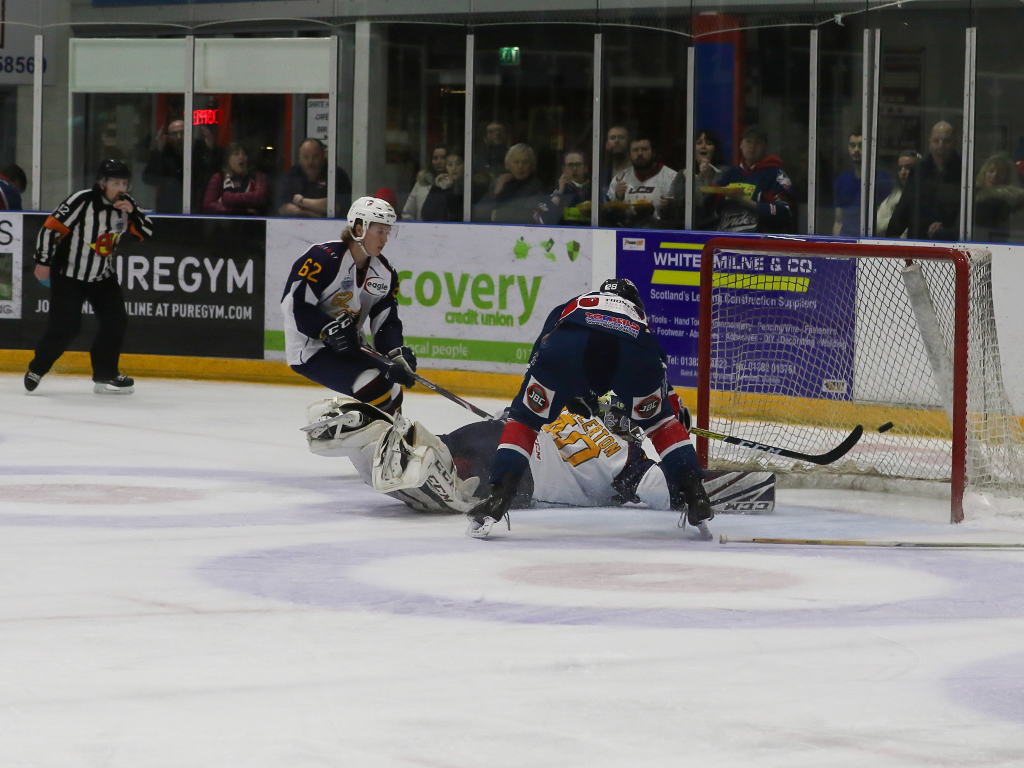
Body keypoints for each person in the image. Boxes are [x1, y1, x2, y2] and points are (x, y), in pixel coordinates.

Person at [464, 278, 714, 538]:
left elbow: (542, 357)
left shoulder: (575, 305)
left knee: (525, 419)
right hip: (633, 349)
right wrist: (670, 418)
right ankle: (696, 495)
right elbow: (659, 383)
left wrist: (570, 392)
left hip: (567, 345)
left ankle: (499, 496)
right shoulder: (636, 318)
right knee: (661, 425)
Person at [304, 392, 774, 516]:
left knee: (446, 450)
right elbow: (664, 490)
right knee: (460, 477)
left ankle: (376, 442)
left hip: (497, 438)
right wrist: (755, 484)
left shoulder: (568, 410)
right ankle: (438, 473)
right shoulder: (617, 452)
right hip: (520, 474)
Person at [24, 160, 153, 395]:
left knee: (115, 322)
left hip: (102, 276)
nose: (121, 188)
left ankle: (105, 375)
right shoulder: (81, 200)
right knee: (66, 328)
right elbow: (50, 228)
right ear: (102, 183)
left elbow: (147, 232)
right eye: (116, 183)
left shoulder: (127, 205)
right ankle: (37, 368)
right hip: (69, 275)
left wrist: (133, 214)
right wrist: (43, 261)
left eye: (124, 183)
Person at [281, 196, 416, 416]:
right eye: (380, 232)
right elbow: (295, 306)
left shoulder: (385, 273)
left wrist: (394, 352)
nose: (385, 239)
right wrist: (328, 328)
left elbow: (386, 322)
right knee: (372, 384)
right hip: (311, 348)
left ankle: (392, 434)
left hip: (351, 345)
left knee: (393, 388)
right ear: (359, 229)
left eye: (387, 232)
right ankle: (386, 434)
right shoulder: (321, 259)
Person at [707, 126, 798, 234]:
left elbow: (786, 212)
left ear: (765, 147)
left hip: (758, 240)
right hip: (726, 238)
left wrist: (748, 203)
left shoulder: (775, 175)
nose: (752, 146)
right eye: (748, 141)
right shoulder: (731, 174)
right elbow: (708, 206)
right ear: (741, 144)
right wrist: (707, 178)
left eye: (758, 142)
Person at [885, 120, 962, 241]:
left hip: (951, 245)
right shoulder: (918, 172)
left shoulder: (963, 173)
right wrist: (891, 238)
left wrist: (948, 231)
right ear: (930, 143)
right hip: (918, 244)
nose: (940, 146)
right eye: (936, 141)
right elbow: (904, 208)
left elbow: (968, 217)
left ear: (955, 143)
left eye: (947, 141)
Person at [141, 119, 221, 214]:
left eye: (182, 132)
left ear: (190, 133)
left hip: (196, 207)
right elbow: (149, 179)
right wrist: (158, 151)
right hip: (169, 209)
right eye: (174, 134)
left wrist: (212, 148)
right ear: (168, 137)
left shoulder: (200, 148)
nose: (179, 137)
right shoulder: (164, 152)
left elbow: (216, 172)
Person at [832, 127, 894, 237]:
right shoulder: (842, 180)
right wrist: (835, 245)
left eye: (861, 145)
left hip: (870, 242)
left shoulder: (884, 180)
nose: (856, 150)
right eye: (852, 145)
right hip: (845, 241)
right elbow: (838, 222)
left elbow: (885, 222)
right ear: (848, 148)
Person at [606, 136, 677, 227]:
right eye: (635, 150)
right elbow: (612, 215)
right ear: (629, 154)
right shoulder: (619, 179)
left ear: (654, 153)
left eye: (644, 149)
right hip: (627, 232)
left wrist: (668, 208)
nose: (639, 153)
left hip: (661, 231)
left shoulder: (672, 178)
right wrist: (618, 198)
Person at [274, 138, 353, 218]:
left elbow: (337, 206)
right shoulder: (291, 175)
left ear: (323, 155)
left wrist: (302, 201)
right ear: (299, 158)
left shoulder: (337, 175)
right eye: (306, 157)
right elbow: (283, 208)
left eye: (315, 156)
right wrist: (311, 214)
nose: (310, 162)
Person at [666, 129, 729, 230]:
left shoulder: (725, 173)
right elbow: (672, 210)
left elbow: (703, 204)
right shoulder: (683, 174)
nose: (703, 146)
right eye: (699, 143)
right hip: (683, 229)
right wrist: (665, 206)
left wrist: (701, 177)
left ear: (715, 149)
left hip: (715, 228)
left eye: (708, 143)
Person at [473, 143, 547, 224]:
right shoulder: (500, 182)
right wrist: (494, 193)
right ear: (507, 164)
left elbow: (533, 216)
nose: (520, 166)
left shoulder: (537, 187)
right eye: (516, 162)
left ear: (532, 165)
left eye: (525, 162)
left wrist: (497, 214)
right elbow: (478, 214)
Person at [201, 142, 270, 216]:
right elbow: (208, 206)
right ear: (228, 159)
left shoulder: (259, 176)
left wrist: (226, 198)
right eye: (236, 154)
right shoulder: (218, 177)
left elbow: (258, 197)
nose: (241, 157)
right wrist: (242, 210)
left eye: (244, 154)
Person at [973, 154, 1024, 243]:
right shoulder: (969, 194)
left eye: (1000, 173)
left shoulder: (1006, 201)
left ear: (1006, 178)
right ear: (984, 173)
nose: (994, 175)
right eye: (991, 171)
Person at [875, 150, 920, 237]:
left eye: (909, 168)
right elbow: (877, 226)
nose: (903, 172)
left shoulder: (927, 197)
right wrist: (899, 217)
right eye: (900, 168)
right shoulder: (893, 198)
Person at [544, 150, 591, 225]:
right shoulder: (555, 190)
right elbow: (547, 218)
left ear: (586, 168)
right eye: (570, 165)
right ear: (564, 169)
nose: (574, 168)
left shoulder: (595, 188)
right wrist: (560, 192)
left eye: (578, 164)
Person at [401, 144, 447, 221]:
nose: (438, 161)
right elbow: (408, 214)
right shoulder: (421, 184)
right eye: (435, 158)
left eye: (443, 157)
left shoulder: (455, 185)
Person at [420, 151, 464, 222]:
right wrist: (438, 187)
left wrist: (448, 190)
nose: (454, 168)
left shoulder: (469, 187)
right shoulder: (442, 187)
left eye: (458, 164)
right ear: (446, 167)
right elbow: (426, 215)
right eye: (450, 164)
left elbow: (457, 215)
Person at [600, 125, 631, 193]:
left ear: (628, 142)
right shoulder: (601, 171)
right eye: (612, 138)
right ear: (607, 144)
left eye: (621, 137)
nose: (617, 141)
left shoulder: (636, 169)